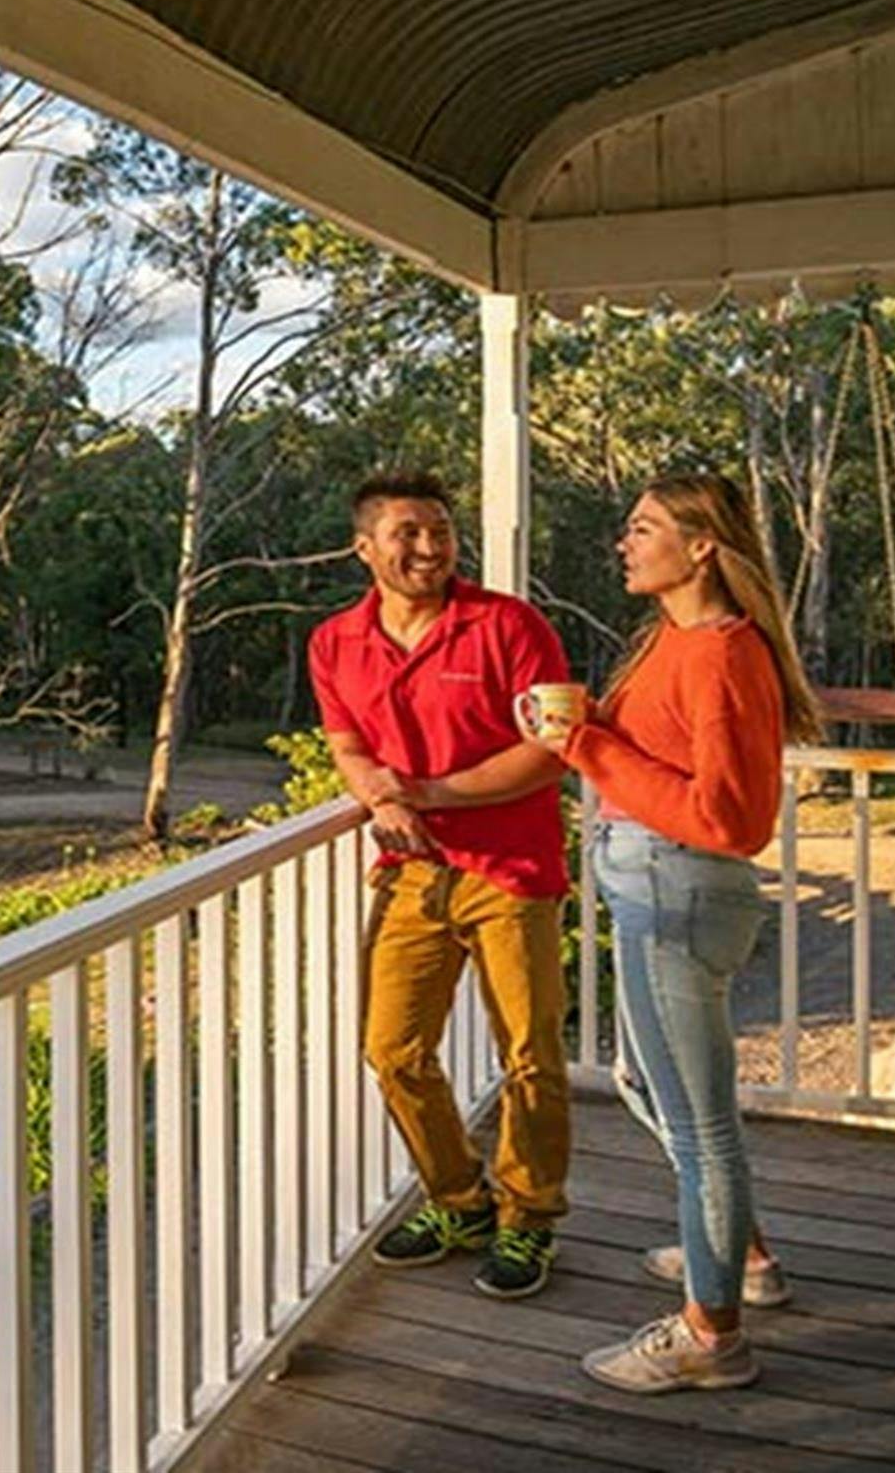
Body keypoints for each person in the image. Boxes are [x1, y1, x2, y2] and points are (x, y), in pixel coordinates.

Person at [535, 471, 822, 1393]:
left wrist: (587, 747)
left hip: (679, 892)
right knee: (639, 1080)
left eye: (643, 526)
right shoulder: (673, 638)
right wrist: (581, 730)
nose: (625, 541)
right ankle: (743, 1258)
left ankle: (712, 1335)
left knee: (704, 1130)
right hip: (652, 885)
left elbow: (731, 819)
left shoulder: (719, 653)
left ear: (701, 545)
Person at [309, 469, 574, 1299]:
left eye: (440, 531)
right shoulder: (334, 642)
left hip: (512, 872)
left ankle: (529, 1217)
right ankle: (460, 1199)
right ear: (366, 548)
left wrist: (429, 793)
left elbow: (552, 744)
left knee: (530, 1052)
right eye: (408, 534)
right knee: (392, 1049)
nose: (429, 547)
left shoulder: (508, 625)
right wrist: (380, 795)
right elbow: (348, 743)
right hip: (413, 874)